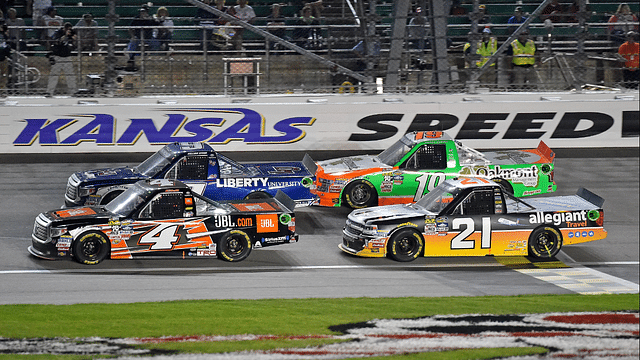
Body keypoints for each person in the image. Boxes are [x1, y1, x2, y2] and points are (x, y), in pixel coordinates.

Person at [46, 22, 77, 96]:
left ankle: (73, 91)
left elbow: (74, 44)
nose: (69, 31)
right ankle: (49, 92)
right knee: (54, 75)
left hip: (67, 56)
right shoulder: (58, 32)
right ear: (64, 28)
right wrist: (65, 35)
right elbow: (57, 41)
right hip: (58, 56)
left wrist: (73, 38)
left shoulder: (72, 34)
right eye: (67, 29)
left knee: (70, 75)